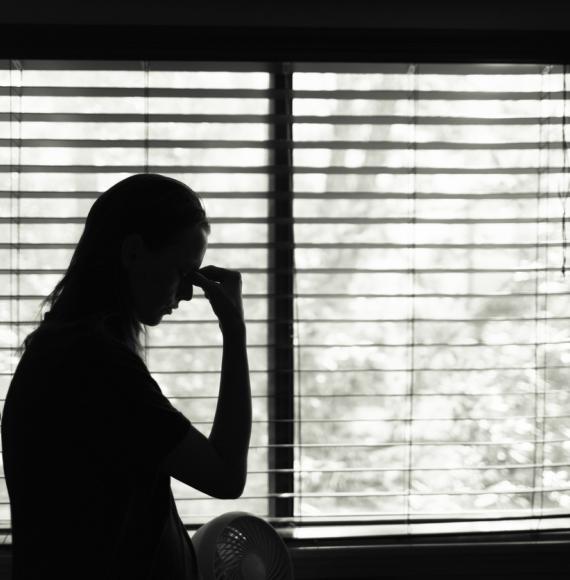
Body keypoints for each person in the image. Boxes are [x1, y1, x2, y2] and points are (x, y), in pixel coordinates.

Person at [0, 173, 251, 579]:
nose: (188, 294)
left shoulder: (68, 350)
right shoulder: (95, 366)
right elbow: (224, 476)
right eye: (182, 271)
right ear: (133, 252)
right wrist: (234, 331)